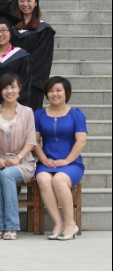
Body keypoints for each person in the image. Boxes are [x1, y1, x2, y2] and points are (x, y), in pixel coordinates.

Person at [34, 77, 87, 240]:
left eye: (58, 90)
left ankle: (70, 224)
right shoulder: (39, 114)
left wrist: (67, 161)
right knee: (43, 179)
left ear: (66, 93)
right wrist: (44, 160)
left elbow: (81, 141)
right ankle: (58, 223)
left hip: (71, 163)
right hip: (47, 161)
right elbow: (34, 142)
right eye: (50, 91)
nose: (54, 94)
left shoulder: (76, 114)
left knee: (59, 180)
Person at [0, 73, 37, 240]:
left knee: (7, 174)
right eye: (5, 88)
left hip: (23, 161)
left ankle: (12, 226)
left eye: (13, 87)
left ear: (19, 89)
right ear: (0, 91)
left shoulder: (27, 112)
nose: (9, 91)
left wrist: (17, 159)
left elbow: (31, 141)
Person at [12, 0, 55, 111]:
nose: (25, 4)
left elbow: (42, 60)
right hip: (10, 83)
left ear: (36, 3)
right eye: (22, 0)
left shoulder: (44, 30)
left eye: (29, 0)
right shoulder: (10, 28)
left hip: (32, 85)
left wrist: (24, 79)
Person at [0, 10, 33, 106]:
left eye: (4, 30)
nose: (0, 34)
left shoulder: (22, 56)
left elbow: (25, 83)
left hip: (16, 106)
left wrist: (13, 101)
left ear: (10, 33)